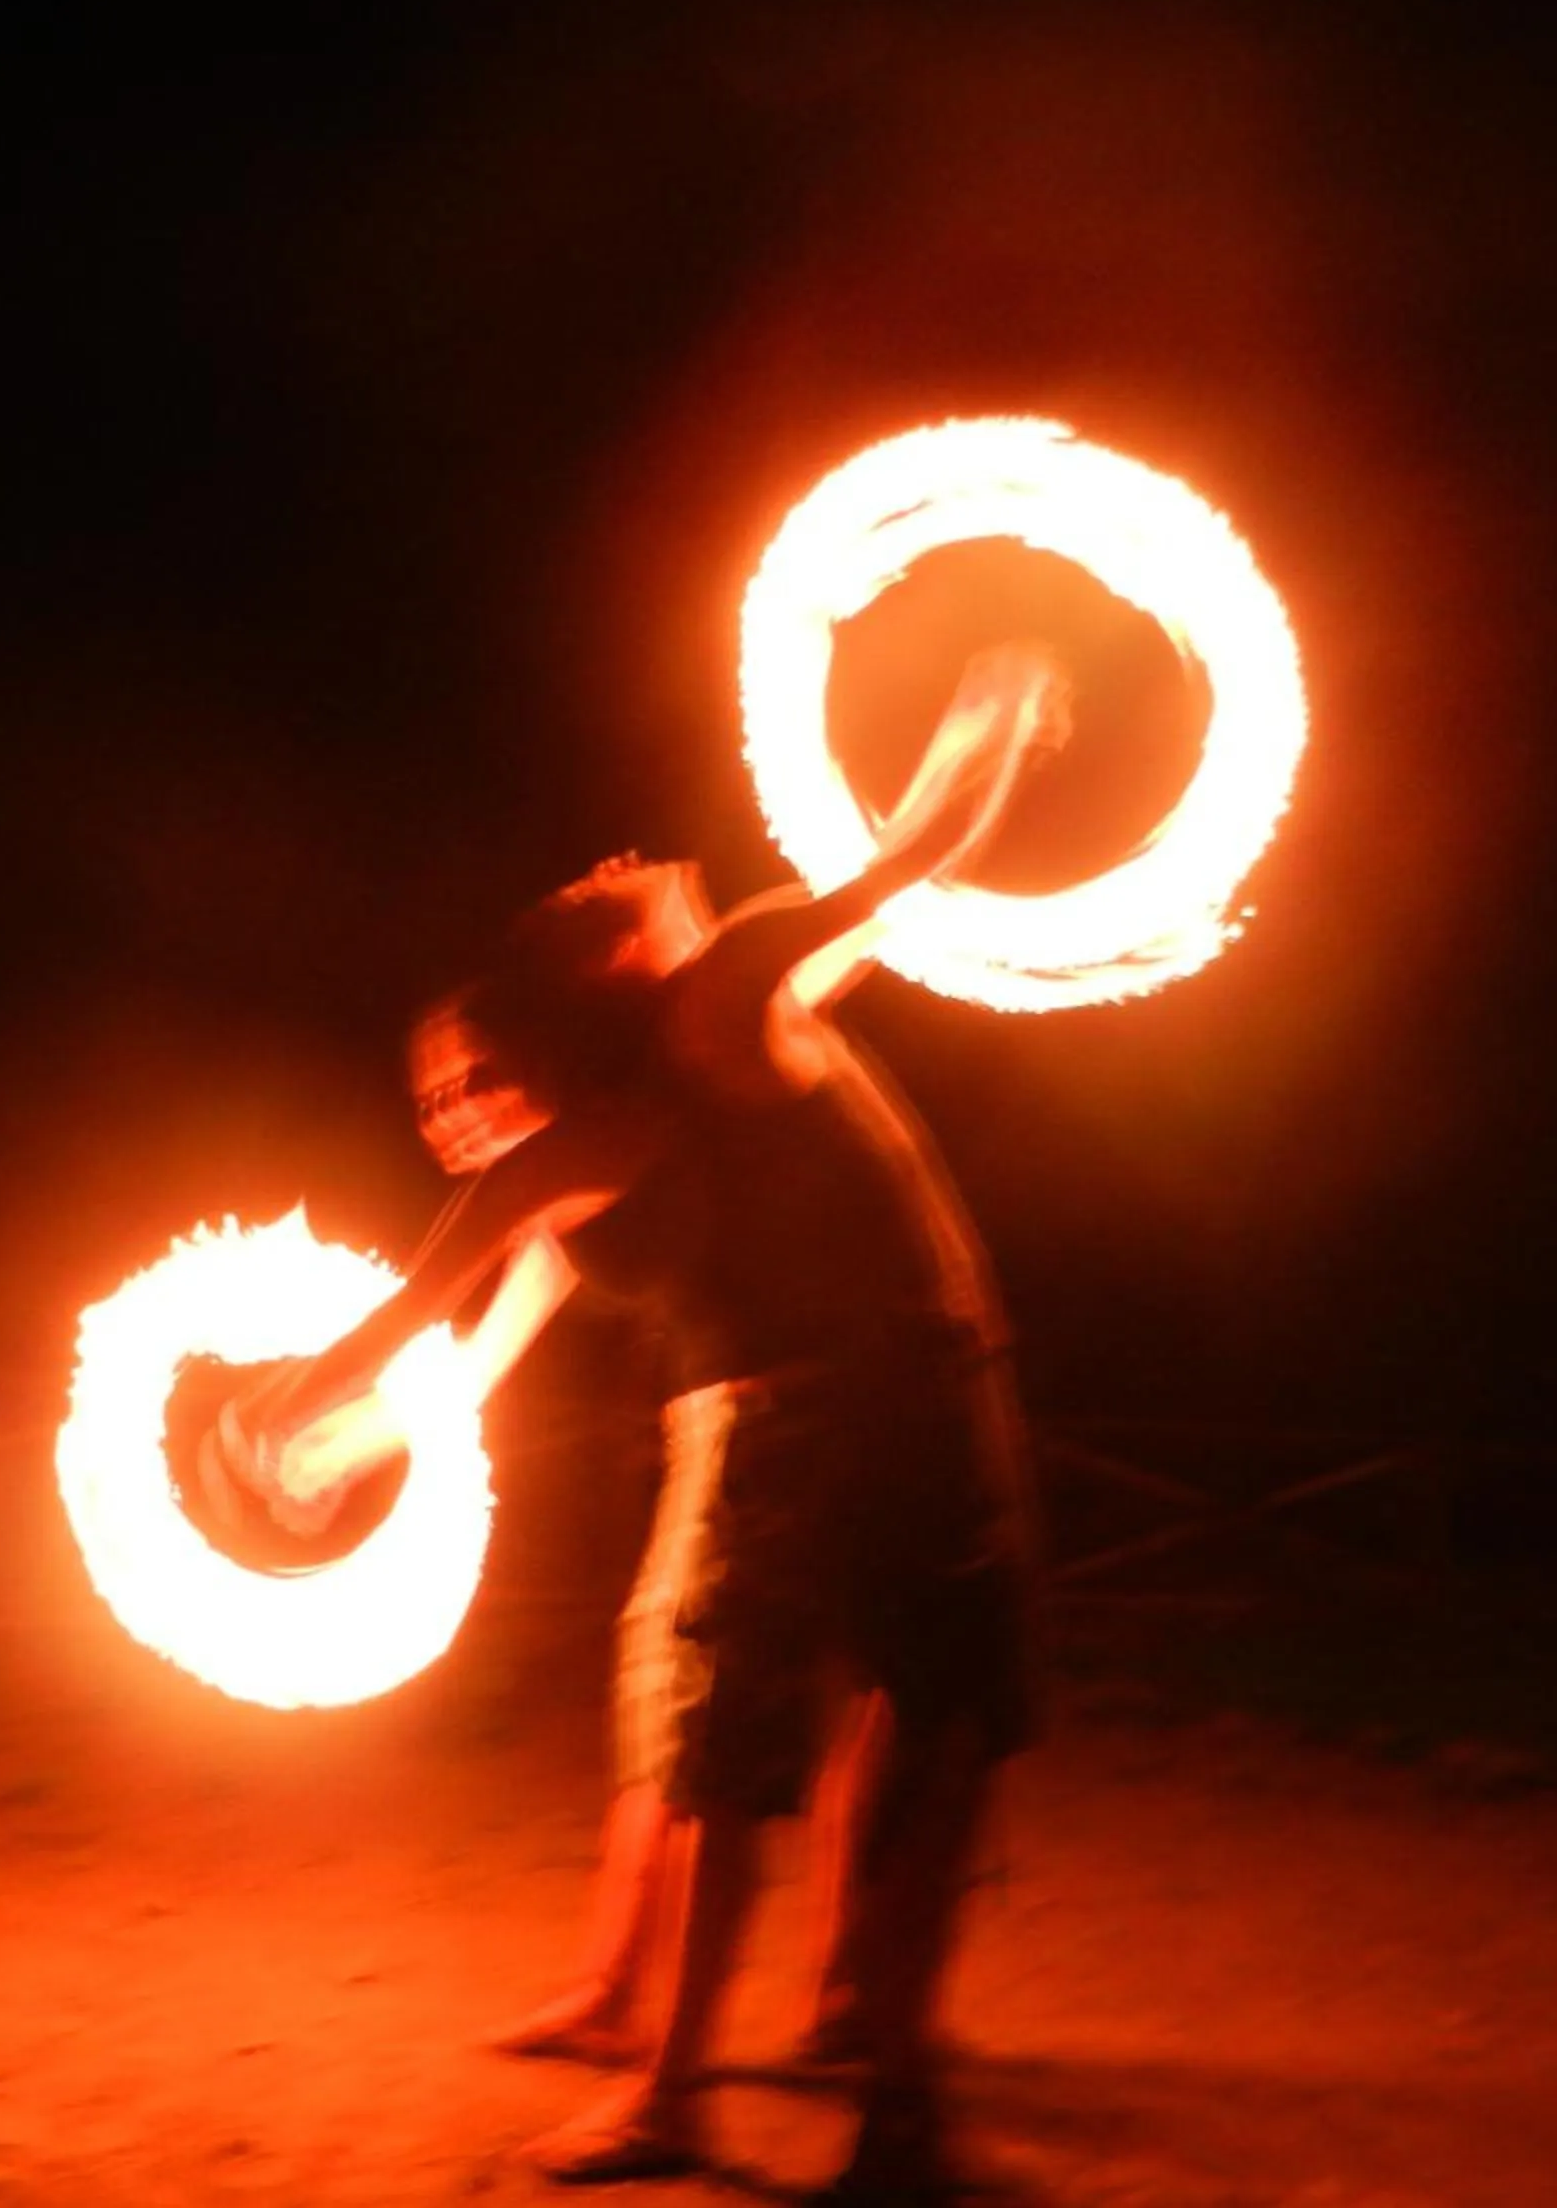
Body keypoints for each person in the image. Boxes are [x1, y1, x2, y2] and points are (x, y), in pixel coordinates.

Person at [224, 644, 1065, 2195]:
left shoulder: (669, 1067)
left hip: (849, 1409)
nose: (622, 860)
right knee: (885, 1733)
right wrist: (993, 712)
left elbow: (426, 1308)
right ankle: (809, 2081)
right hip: (884, 1404)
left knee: (785, 1753)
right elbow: (915, 853)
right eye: (598, 887)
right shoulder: (736, 979)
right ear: (614, 965)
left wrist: (302, 1416)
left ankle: (786, 2078)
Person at [405, 991, 889, 2079]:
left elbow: (426, 1310)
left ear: (542, 1056)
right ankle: (615, 1991)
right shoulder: (561, 1185)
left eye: (478, 1076)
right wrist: (338, 1449)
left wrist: (300, 1416)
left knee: (729, 1731)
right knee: (658, 1709)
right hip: (720, 1426)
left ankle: (782, 2026)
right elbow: (476, 1360)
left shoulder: (620, 1131)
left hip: (791, 1421)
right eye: (431, 1095)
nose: (455, 1110)